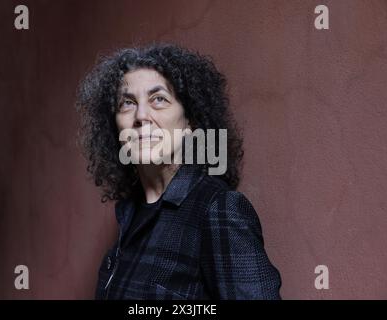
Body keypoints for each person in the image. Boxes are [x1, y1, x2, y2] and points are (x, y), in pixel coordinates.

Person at [76, 43, 282, 299]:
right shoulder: (129, 214)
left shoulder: (218, 209)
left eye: (159, 99)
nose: (140, 116)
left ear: (190, 123)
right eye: (127, 103)